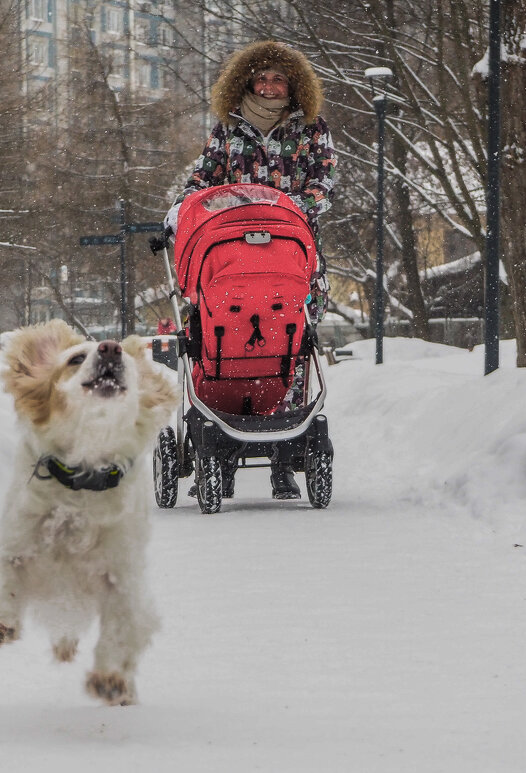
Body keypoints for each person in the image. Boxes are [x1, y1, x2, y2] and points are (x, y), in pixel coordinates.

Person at [170, 40, 337, 501]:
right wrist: (184, 209)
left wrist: (289, 209)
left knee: (293, 342)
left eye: (277, 78)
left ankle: (285, 457)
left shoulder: (310, 129)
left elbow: (323, 180)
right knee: (221, 334)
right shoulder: (228, 130)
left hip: (290, 252)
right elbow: (201, 180)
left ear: (292, 84)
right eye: (260, 77)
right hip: (231, 254)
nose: (268, 85)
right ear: (245, 82)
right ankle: (219, 446)